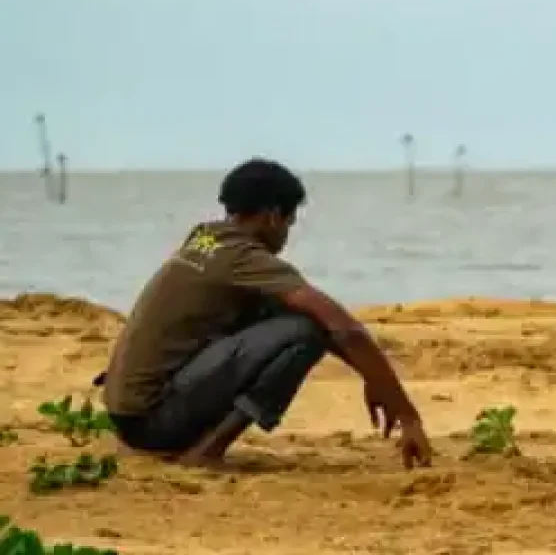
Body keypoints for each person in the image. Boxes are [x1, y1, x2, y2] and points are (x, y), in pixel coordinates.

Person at [96, 158, 433, 468]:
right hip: (155, 423)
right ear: (273, 216)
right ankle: (207, 452)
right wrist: (408, 415)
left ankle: (197, 446)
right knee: (305, 332)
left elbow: (331, 328)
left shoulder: (205, 238)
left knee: (283, 311)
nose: (286, 234)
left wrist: (371, 376)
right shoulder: (244, 257)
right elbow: (343, 327)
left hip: (126, 417)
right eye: (289, 222)